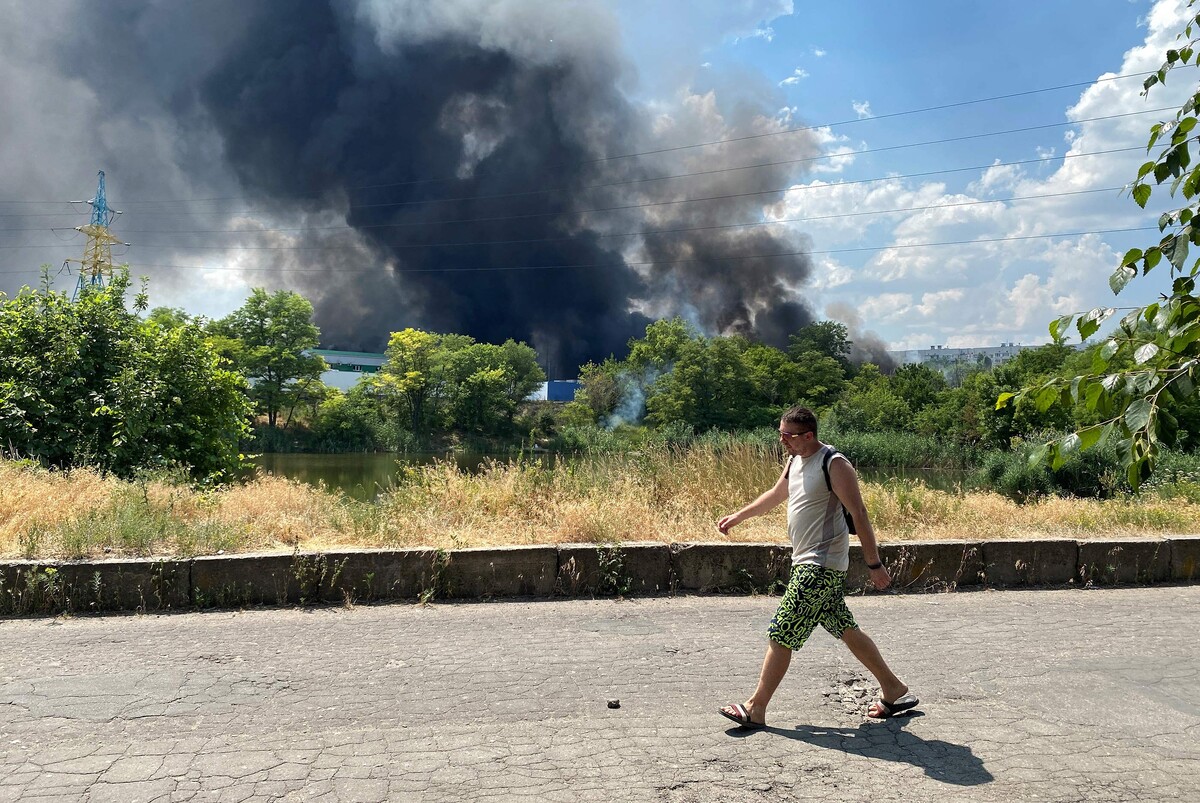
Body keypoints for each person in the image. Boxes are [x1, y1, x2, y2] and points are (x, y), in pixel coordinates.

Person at [716, 405, 917, 728]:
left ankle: (755, 708)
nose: (782, 440)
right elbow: (775, 494)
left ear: (808, 435)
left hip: (820, 565)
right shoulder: (795, 460)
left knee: (782, 631)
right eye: (780, 433)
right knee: (846, 629)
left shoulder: (834, 463)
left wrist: (874, 564)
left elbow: (860, 514)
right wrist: (738, 517)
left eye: (788, 435)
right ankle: (893, 688)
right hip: (805, 561)